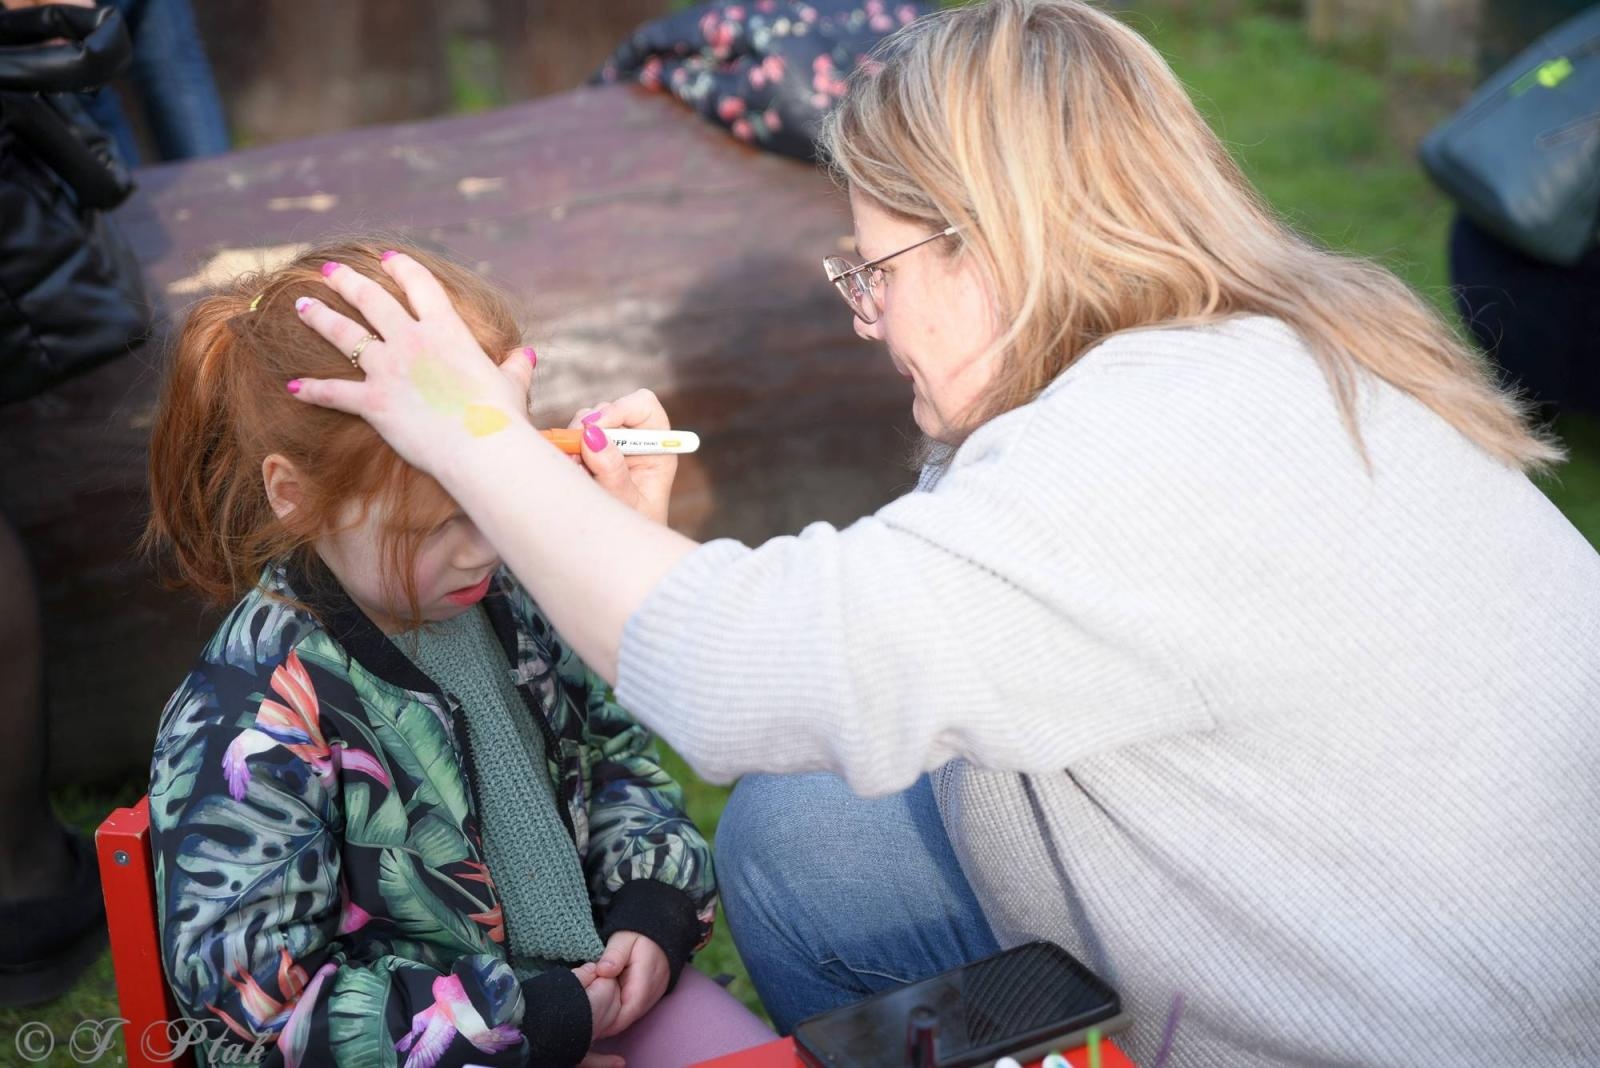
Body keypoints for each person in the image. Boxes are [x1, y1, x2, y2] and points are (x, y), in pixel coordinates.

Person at [285, 2, 1600, 1064]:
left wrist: (475, 440)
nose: (864, 316)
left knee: (802, 840)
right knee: (807, 835)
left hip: (1429, 1029)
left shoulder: (1143, 454)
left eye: (878, 270)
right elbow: (922, 600)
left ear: (992, 250)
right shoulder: (1244, 360)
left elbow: (747, 676)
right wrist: (624, 541)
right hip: (1494, 970)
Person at [142, 241, 773, 1068]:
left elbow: (612, 761)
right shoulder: (252, 718)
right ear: (294, 495)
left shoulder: (513, 596)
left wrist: (650, 913)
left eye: (491, 495)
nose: (483, 548)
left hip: (599, 995)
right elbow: (255, 1011)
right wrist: (525, 1028)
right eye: (434, 524)